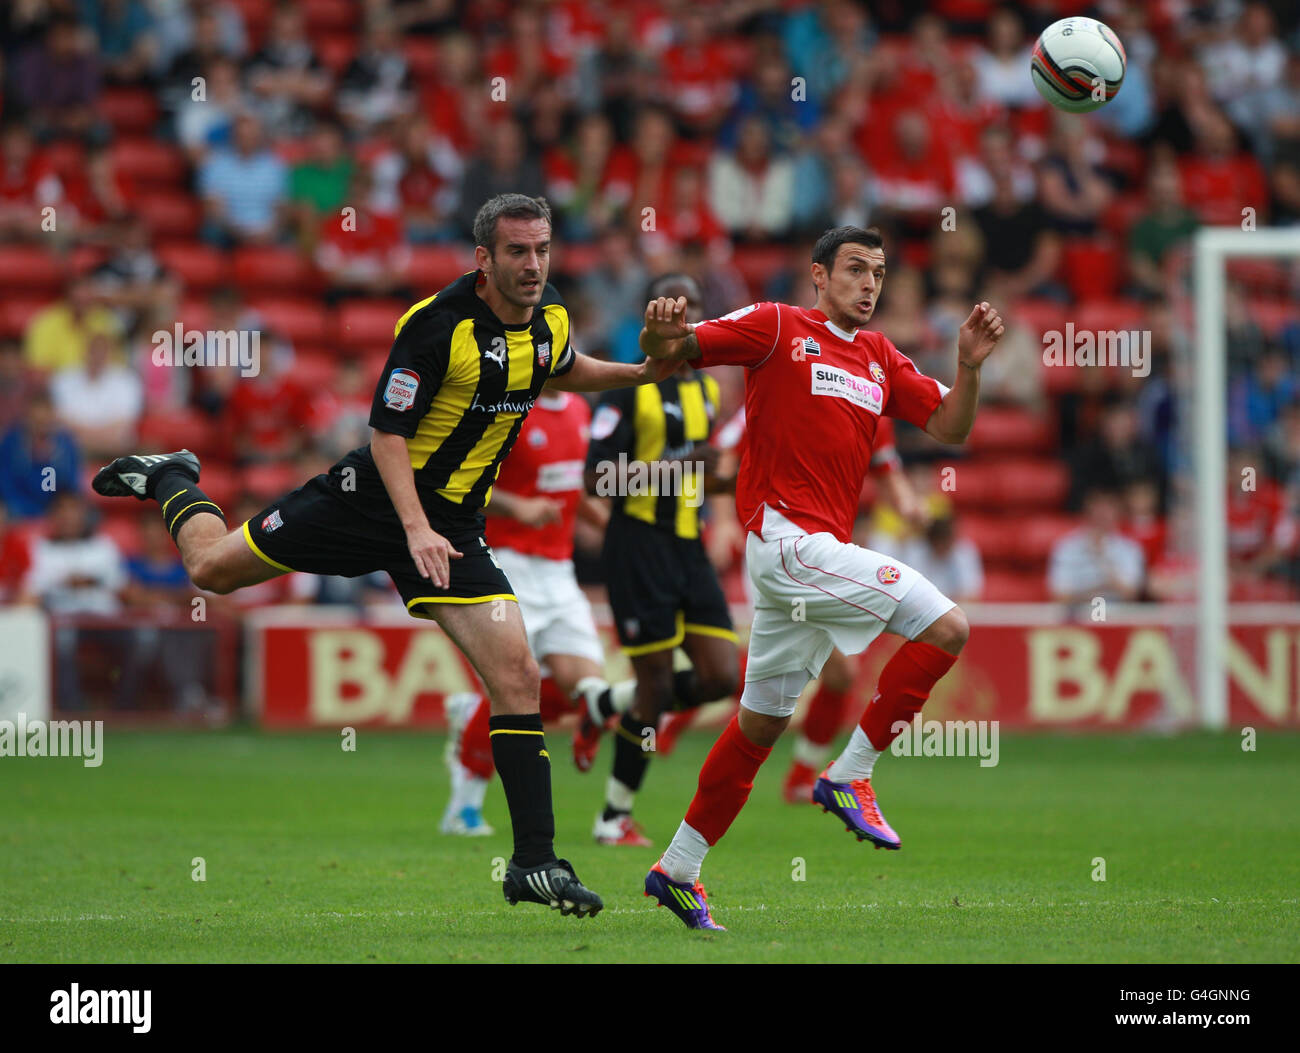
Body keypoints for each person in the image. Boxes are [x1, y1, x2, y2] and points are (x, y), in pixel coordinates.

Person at [92, 194, 679, 920]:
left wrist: (641, 373)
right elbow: (387, 433)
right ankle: (171, 475)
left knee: (518, 673)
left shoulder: (550, 315)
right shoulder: (435, 326)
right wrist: (413, 526)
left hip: (455, 528)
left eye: (543, 249)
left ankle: (534, 862)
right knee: (211, 571)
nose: (534, 265)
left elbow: (560, 368)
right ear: (484, 259)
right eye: (518, 252)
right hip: (365, 503)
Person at [636, 225, 1004, 929]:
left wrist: (970, 366)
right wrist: (660, 333)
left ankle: (676, 867)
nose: (870, 283)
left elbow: (950, 426)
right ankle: (850, 771)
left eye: (880, 272)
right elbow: (675, 351)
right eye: (857, 269)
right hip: (787, 542)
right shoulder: (776, 327)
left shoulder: (879, 357)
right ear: (818, 275)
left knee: (758, 726)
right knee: (949, 625)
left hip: (807, 562)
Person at [579, 274, 740, 847]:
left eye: (695, 308)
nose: (686, 317)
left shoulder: (707, 391)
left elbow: (704, 476)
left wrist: (736, 487)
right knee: (654, 692)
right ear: (654, 317)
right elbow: (595, 478)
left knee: (723, 676)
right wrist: (683, 468)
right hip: (638, 547)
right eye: (676, 307)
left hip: (688, 546)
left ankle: (604, 703)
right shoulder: (627, 387)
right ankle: (612, 818)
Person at [439, 381, 628, 837]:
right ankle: (463, 808)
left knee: (590, 694)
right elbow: (459, 481)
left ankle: (472, 715)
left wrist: (612, 526)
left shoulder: (582, 407)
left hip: (559, 570)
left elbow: (570, 483)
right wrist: (518, 506)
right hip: (508, 563)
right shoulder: (506, 406)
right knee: (511, 688)